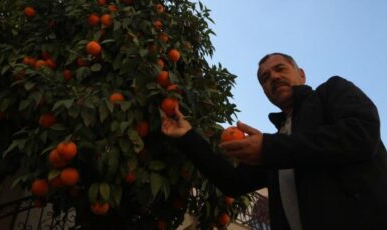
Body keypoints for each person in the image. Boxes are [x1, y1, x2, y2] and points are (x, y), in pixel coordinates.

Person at [161, 53, 387, 230]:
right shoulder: (278, 142)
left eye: (280, 69)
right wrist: (188, 136)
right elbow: (233, 182)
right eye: (265, 78)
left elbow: (362, 134)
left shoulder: (331, 91)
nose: (274, 77)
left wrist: (270, 148)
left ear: (301, 74)